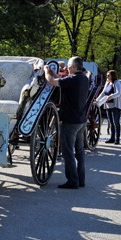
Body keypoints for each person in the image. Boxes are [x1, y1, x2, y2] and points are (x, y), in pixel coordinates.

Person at [45, 56, 90, 189]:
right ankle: (80, 179)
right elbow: (61, 79)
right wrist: (55, 73)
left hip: (70, 121)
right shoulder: (83, 78)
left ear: (74, 67)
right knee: (79, 151)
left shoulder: (73, 79)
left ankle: (72, 180)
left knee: (68, 151)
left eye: (69, 66)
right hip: (81, 120)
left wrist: (47, 70)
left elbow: (51, 82)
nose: (67, 68)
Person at [95, 70, 121, 144]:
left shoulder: (116, 83)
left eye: (108, 75)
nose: (107, 76)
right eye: (107, 75)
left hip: (115, 106)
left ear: (112, 76)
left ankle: (117, 139)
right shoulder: (107, 83)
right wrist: (97, 100)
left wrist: (111, 96)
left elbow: (119, 93)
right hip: (108, 105)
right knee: (110, 122)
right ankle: (112, 138)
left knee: (116, 122)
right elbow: (103, 93)